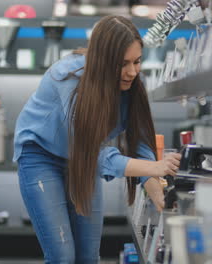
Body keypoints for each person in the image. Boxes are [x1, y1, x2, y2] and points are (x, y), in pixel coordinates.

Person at [13, 15, 182, 264]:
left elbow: (140, 139)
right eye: (123, 64)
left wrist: (157, 191)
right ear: (103, 60)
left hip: (83, 160)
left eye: (137, 61)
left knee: (88, 256)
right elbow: (89, 151)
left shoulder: (132, 82)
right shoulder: (70, 76)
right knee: (63, 256)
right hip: (41, 156)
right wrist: (153, 167)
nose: (133, 71)